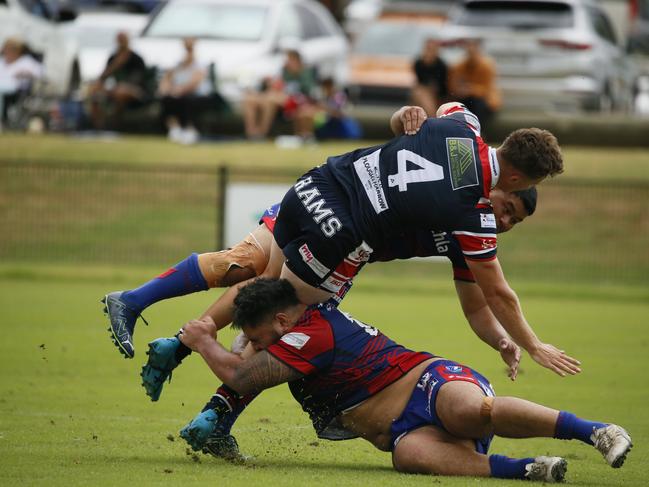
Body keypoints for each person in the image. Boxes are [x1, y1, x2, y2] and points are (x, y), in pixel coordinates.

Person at [175, 278, 632, 482]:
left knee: (468, 412)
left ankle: (596, 431)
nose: (257, 347)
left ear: (280, 320)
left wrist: (202, 341)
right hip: (405, 429)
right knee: (408, 456)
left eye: (257, 339)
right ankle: (531, 470)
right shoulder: (296, 327)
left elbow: (242, 377)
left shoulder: (308, 335)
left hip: (429, 382)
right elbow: (249, 361)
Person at [241, 49, 316, 139]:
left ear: (296, 60)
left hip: (296, 101)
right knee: (249, 99)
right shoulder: (284, 71)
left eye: (289, 60)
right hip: (279, 98)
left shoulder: (306, 72)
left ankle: (261, 133)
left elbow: (306, 91)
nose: (286, 62)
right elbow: (276, 84)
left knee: (270, 99)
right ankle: (251, 133)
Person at [87, 31, 147, 130]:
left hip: (136, 92)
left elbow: (137, 80)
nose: (121, 43)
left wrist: (120, 87)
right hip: (116, 89)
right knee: (95, 90)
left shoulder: (136, 59)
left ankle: (115, 126)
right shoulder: (113, 58)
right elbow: (102, 78)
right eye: (119, 40)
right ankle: (98, 127)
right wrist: (115, 65)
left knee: (121, 91)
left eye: (123, 40)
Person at [158, 38, 211, 145]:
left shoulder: (200, 65)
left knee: (188, 100)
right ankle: (174, 129)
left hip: (199, 96)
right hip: (179, 95)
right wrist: (166, 90)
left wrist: (179, 90)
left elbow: (194, 83)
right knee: (166, 99)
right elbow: (165, 81)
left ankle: (190, 130)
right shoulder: (177, 65)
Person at [448, 39, 501, 129]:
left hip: (484, 101)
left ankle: (478, 132)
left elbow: (487, 90)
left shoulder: (486, 66)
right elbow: (453, 86)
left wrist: (470, 89)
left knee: (478, 105)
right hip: (466, 99)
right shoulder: (459, 66)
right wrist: (460, 90)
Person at [0, 37, 43, 129]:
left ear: (18, 50)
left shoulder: (26, 61)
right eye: (6, 48)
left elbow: (39, 72)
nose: (8, 51)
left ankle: (2, 120)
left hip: (16, 90)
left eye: (12, 49)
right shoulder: (1, 61)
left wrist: (26, 74)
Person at [411, 38, 448, 117]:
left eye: (432, 49)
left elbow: (442, 84)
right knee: (420, 93)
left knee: (422, 94)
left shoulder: (441, 65)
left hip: (439, 93)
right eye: (428, 49)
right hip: (424, 92)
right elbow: (421, 80)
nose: (429, 52)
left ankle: (432, 118)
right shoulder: (419, 63)